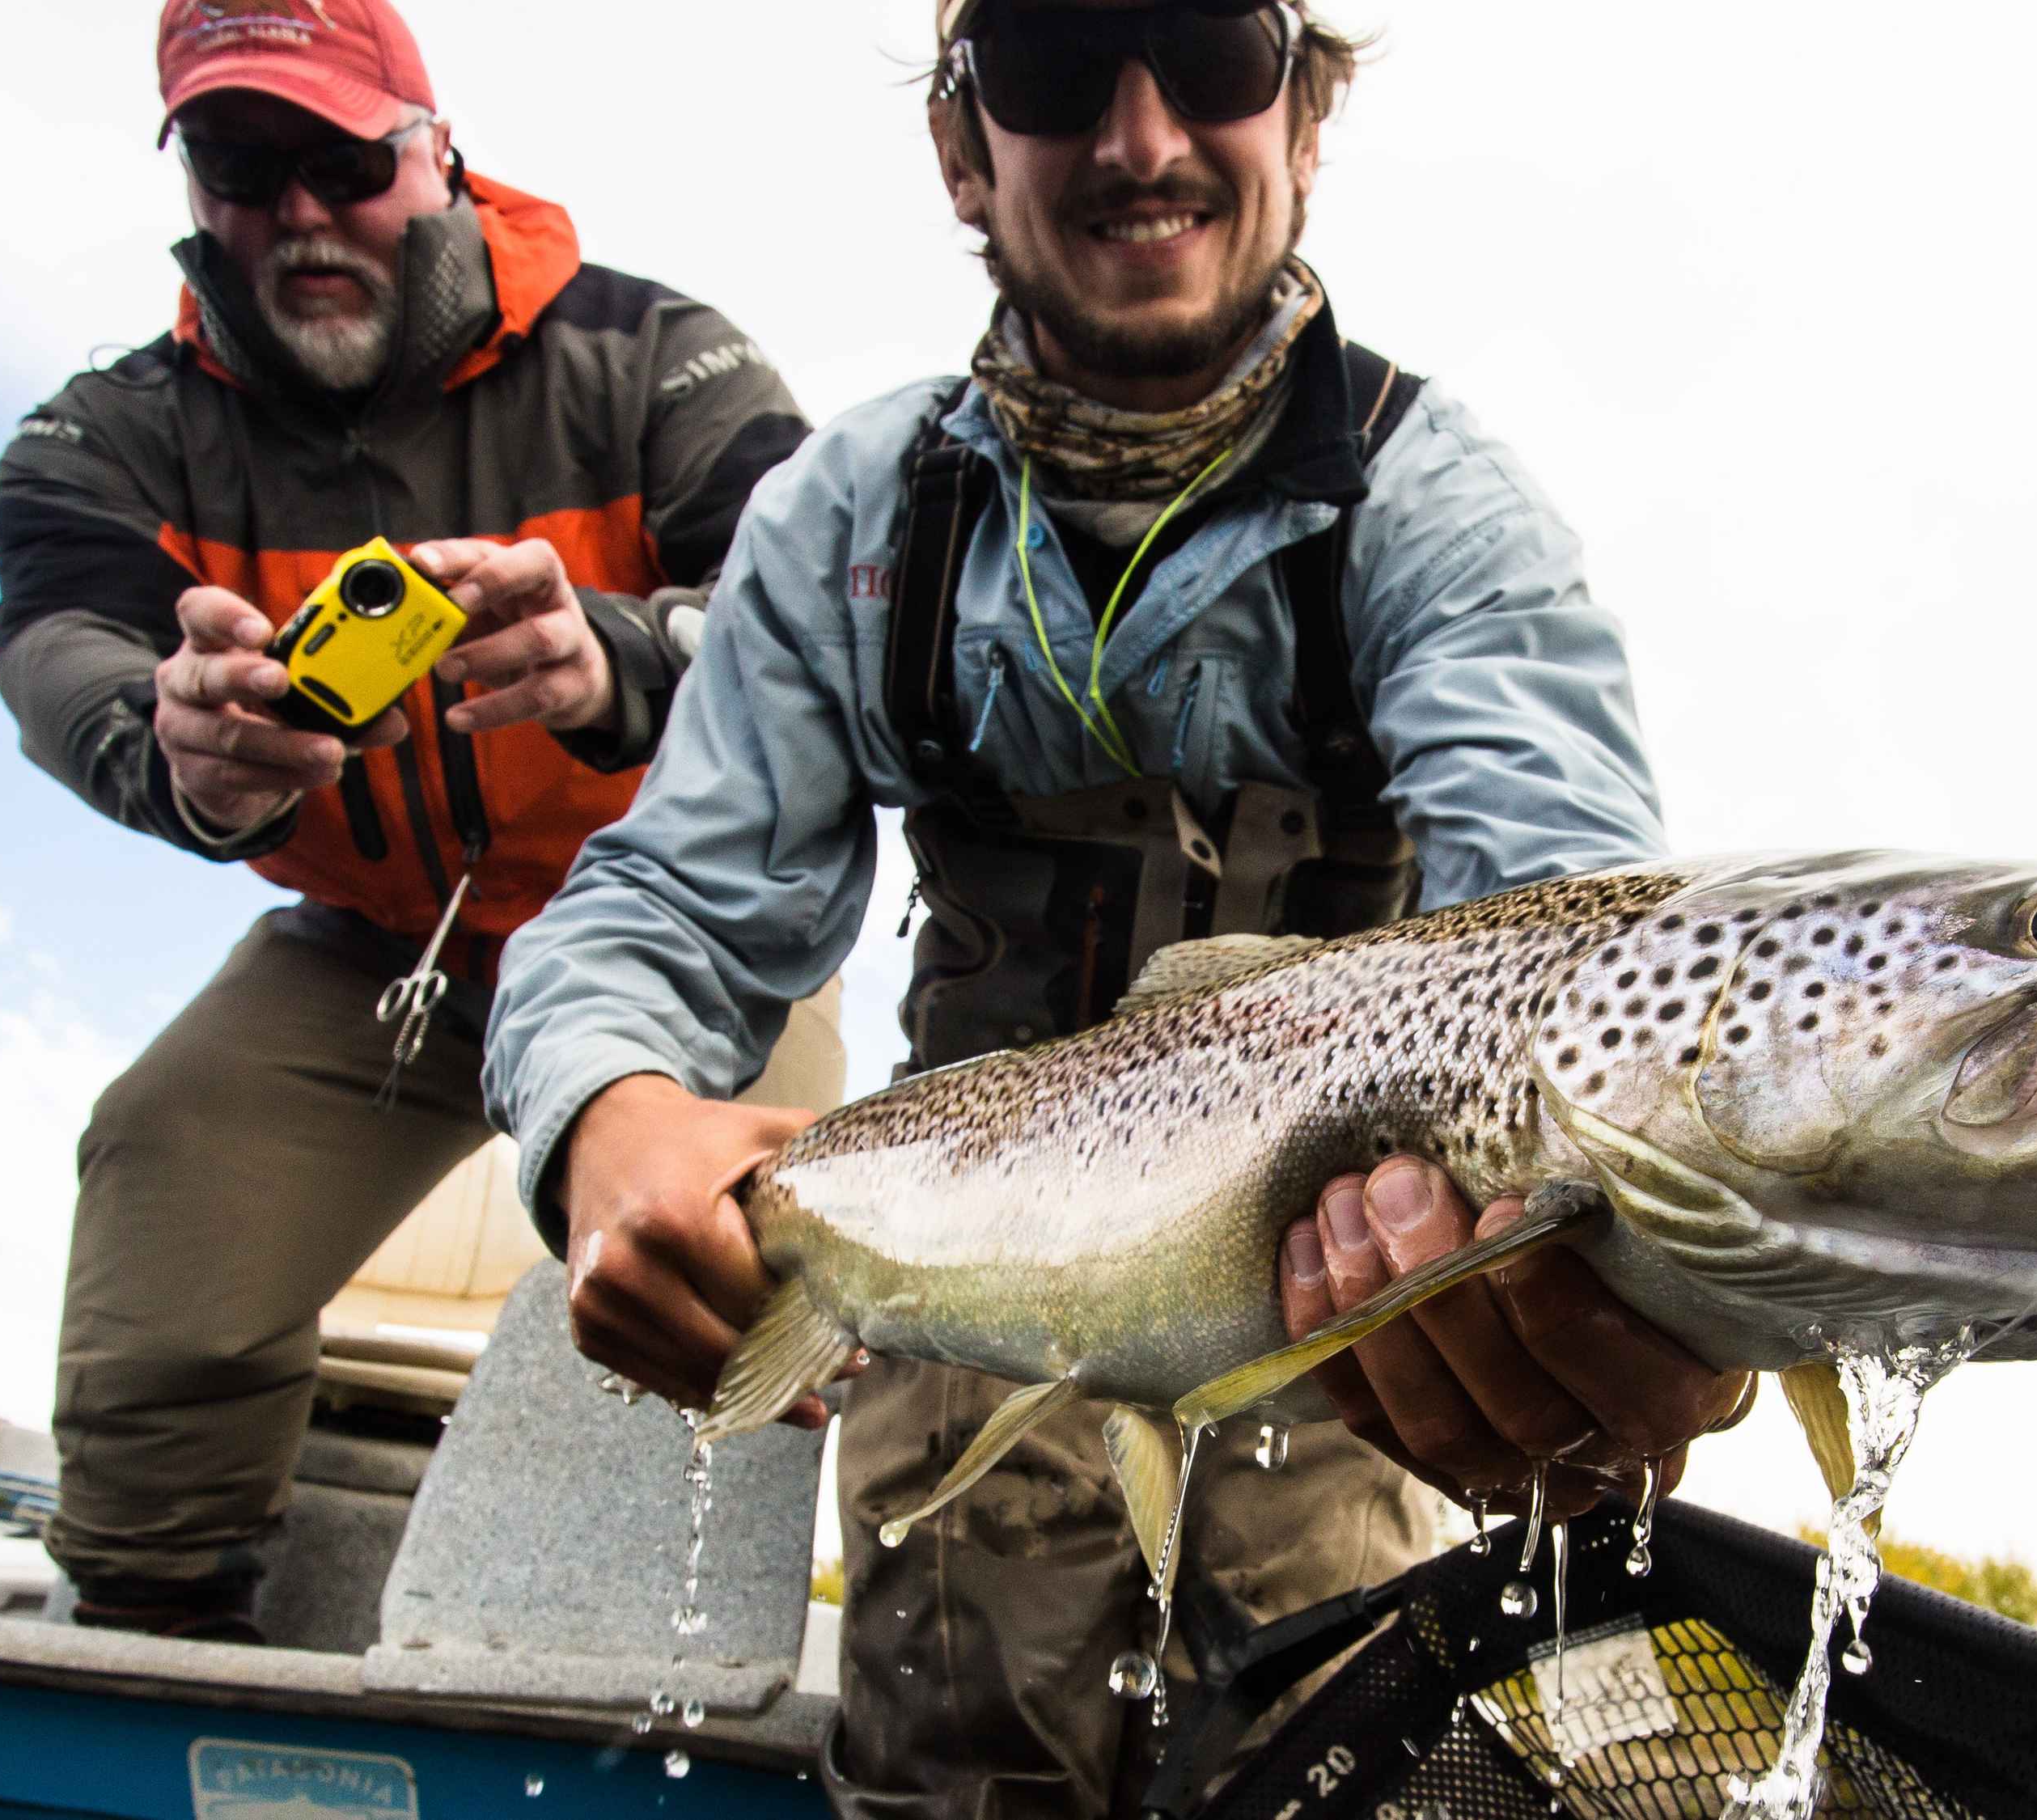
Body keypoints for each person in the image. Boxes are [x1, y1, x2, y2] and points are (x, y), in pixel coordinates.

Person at [484, 1, 1753, 1812]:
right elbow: (666, 909)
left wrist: (1622, 1287)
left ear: (1304, 122)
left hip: (1339, 1329)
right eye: (1060, 64)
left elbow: (1570, 949)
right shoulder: (845, 518)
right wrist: (606, 1121)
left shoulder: (1442, 510)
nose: (1142, 137)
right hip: (947, 1327)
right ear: (960, 149)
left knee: (1326, 1756)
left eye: (1211, 53)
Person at [0, 0, 811, 1644]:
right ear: (193, 185)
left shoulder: (661, 358)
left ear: (435, 150)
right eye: (241, 160)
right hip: (371, 953)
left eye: (344, 161)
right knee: (164, 1219)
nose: (299, 213)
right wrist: (174, 746)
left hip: (687, 935)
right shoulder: (106, 437)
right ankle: (156, 1648)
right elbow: (56, 644)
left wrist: (619, 649)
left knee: (747, 1279)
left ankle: (649, 1691)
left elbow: (813, 619)